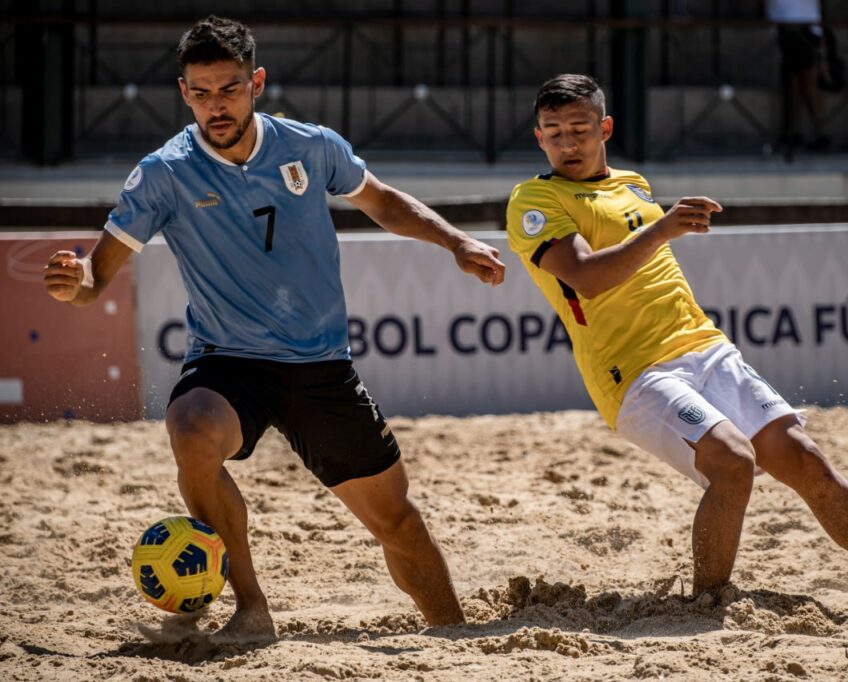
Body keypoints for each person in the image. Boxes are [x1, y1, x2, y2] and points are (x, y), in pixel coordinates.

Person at [44, 15, 505, 643]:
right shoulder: (163, 173)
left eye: (229, 89)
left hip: (321, 364)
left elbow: (382, 199)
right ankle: (251, 609)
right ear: (183, 93)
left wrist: (453, 240)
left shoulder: (309, 146)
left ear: (256, 82)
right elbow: (97, 276)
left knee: (398, 523)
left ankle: (455, 637)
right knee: (192, 429)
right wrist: (76, 284)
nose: (216, 105)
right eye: (201, 93)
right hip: (230, 362)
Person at [506, 73, 848, 618]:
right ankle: (707, 605)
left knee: (808, 461)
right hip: (632, 374)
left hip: (704, 345)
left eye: (580, 129)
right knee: (733, 462)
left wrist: (661, 228)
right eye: (555, 132)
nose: (568, 143)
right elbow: (585, 277)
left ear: (604, 128)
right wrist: (663, 229)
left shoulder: (632, 182)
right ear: (538, 137)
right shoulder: (533, 198)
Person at [766, 0, 829, 150]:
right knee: (792, 84)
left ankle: (820, 133)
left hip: (805, 27)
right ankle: (793, 132)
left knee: (809, 85)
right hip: (785, 27)